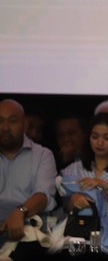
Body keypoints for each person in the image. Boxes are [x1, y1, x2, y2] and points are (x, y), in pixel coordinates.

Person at [54, 112, 108, 261]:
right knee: (74, 254)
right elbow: (65, 207)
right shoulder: (74, 169)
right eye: (95, 137)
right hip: (79, 232)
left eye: (107, 138)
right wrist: (73, 199)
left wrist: (104, 185)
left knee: (95, 254)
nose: (100, 143)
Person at [0, 99, 57, 261]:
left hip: (26, 230)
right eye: (0, 121)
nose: (5, 127)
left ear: (24, 124)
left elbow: (42, 195)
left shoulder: (42, 155)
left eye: (12, 121)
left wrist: (20, 212)